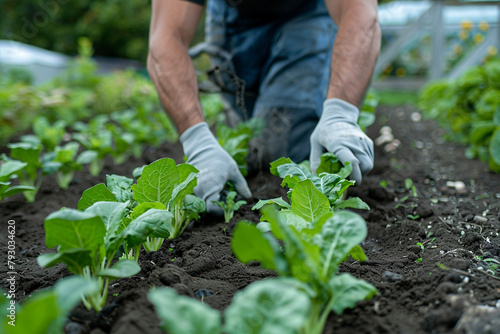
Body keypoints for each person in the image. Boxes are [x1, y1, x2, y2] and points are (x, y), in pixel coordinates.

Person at [147, 0, 381, 214]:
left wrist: (341, 113)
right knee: (252, 131)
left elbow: (360, 12)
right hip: (232, 15)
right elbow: (166, 36)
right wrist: (197, 141)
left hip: (305, 11)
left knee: (277, 146)